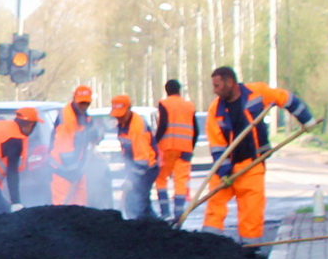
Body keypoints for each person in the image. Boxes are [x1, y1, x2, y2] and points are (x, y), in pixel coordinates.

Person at [201, 66, 313, 242]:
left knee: (251, 210)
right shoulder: (215, 110)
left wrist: (306, 119)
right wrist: (224, 173)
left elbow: (285, 98)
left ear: (229, 82)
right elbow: (217, 145)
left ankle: (250, 249)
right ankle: (209, 242)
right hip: (225, 165)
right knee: (215, 205)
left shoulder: (257, 93)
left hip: (251, 164)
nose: (214, 91)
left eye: (217, 86)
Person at [152, 78, 197, 221]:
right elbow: (196, 129)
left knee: (161, 179)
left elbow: (163, 125)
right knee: (181, 181)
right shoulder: (189, 105)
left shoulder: (164, 103)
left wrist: (155, 143)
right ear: (179, 90)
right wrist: (190, 146)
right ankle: (179, 214)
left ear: (167, 90)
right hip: (185, 149)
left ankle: (165, 213)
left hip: (168, 148)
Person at [48, 86, 98, 205]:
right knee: (63, 206)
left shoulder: (85, 116)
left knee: (80, 206)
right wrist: (73, 172)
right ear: (74, 100)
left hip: (78, 168)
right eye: (81, 103)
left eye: (86, 103)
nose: (83, 106)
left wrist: (96, 135)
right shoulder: (67, 118)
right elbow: (65, 150)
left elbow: (91, 134)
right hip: (62, 170)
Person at [110, 94, 157, 219]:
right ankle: (156, 228)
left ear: (129, 109)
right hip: (136, 168)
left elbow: (142, 159)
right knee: (142, 203)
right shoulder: (122, 125)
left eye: (121, 115)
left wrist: (131, 179)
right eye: (117, 116)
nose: (119, 119)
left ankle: (141, 230)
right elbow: (128, 153)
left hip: (147, 169)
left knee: (135, 204)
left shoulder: (136, 127)